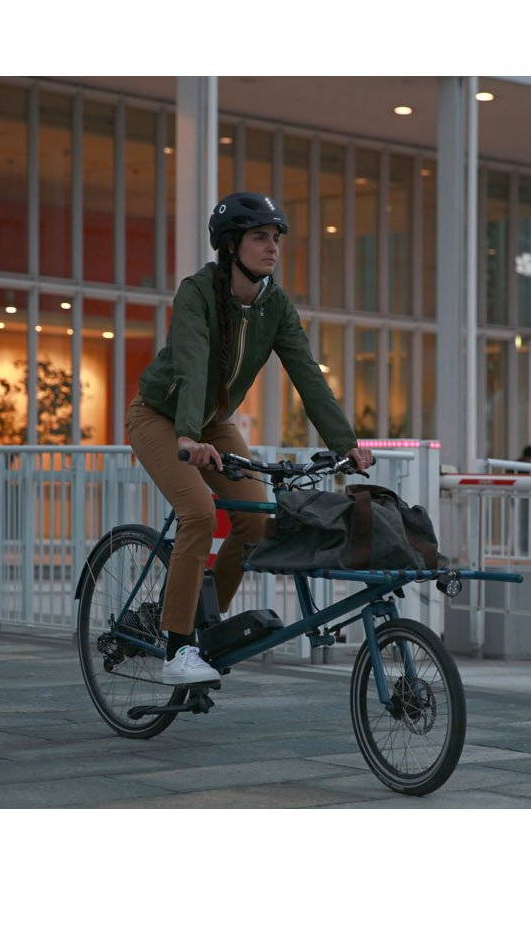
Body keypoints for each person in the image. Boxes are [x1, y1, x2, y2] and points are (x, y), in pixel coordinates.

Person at [126, 192, 375, 684]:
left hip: (214, 423)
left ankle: (204, 622)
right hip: (162, 417)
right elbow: (193, 364)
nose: (272, 248)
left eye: (276, 238)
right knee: (199, 513)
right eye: (260, 237)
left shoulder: (275, 306)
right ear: (231, 244)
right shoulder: (197, 292)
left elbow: (307, 374)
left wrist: (347, 443)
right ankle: (178, 650)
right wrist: (188, 436)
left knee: (254, 522)